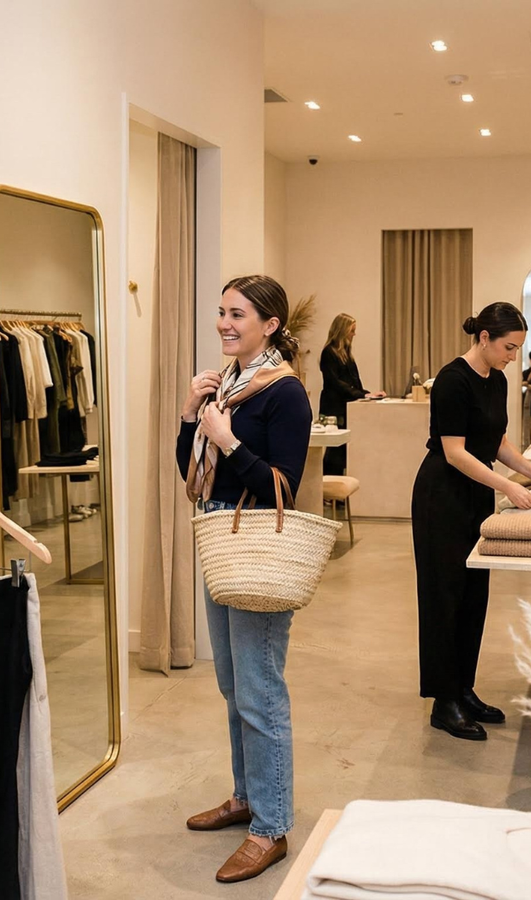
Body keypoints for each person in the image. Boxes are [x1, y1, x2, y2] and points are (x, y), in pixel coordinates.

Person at [176, 274, 312, 884]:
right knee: (232, 684)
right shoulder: (225, 385)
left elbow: (284, 487)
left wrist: (228, 442)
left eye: (237, 315)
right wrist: (190, 418)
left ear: (270, 324)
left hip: (255, 540)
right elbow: (190, 468)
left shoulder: (285, 394)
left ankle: (271, 826)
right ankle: (247, 796)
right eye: (221, 313)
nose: (224, 324)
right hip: (217, 534)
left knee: (259, 689)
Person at [412, 302, 531, 741]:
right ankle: (444, 702)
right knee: (444, 595)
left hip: (476, 490)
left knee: (474, 593)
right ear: (483, 338)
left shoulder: (495, 381)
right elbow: (456, 451)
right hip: (442, 494)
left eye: (517, 349)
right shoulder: (451, 381)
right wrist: (508, 487)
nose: (513, 357)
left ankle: (464, 687)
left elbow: (495, 441)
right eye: (508, 347)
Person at [318, 313, 384, 475]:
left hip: (346, 405)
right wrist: (361, 395)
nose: (354, 334)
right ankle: (329, 488)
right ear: (342, 331)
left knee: (343, 451)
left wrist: (367, 394)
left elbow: (354, 380)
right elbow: (335, 382)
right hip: (334, 407)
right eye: (351, 330)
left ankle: (336, 486)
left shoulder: (347, 353)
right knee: (335, 450)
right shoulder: (329, 353)